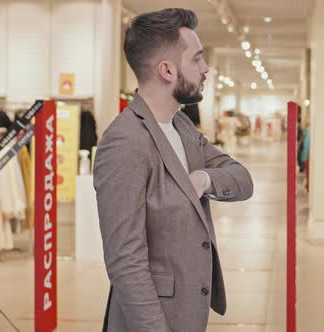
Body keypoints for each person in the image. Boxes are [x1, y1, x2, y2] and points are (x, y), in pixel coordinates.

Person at [93, 8, 253, 332]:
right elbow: (126, 264)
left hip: (187, 314)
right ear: (167, 69)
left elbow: (241, 179)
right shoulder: (124, 142)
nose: (205, 68)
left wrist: (204, 179)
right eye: (196, 59)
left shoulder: (181, 126)